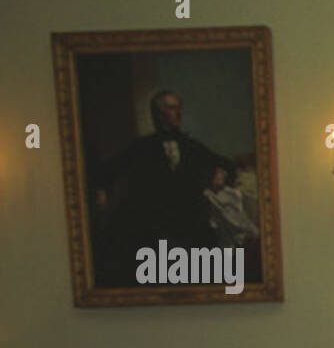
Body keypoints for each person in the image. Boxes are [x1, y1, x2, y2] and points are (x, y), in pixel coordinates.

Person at [92, 90, 236, 286]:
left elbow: (227, 163)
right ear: (158, 114)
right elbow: (107, 170)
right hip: (153, 221)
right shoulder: (141, 147)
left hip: (189, 219)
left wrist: (221, 172)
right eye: (171, 108)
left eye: (179, 108)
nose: (178, 113)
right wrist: (100, 190)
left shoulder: (190, 146)